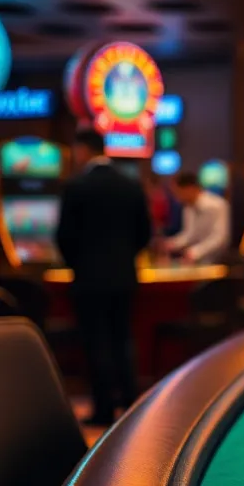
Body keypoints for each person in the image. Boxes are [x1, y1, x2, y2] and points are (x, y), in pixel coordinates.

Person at [55, 128, 152, 426]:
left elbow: (63, 237)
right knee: (123, 338)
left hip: (89, 278)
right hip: (124, 276)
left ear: (83, 150)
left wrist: (78, 265)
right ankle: (130, 406)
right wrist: (124, 258)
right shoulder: (131, 184)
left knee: (96, 343)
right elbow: (144, 233)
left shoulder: (76, 186)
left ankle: (103, 409)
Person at [162, 172, 230, 264]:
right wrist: (172, 244)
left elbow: (220, 237)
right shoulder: (188, 208)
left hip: (218, 261)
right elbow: (190, 235)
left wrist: (196, 252)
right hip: (196, 262)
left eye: (178, 192)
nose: (177, 197)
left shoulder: (217, 205)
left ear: (190, 188)